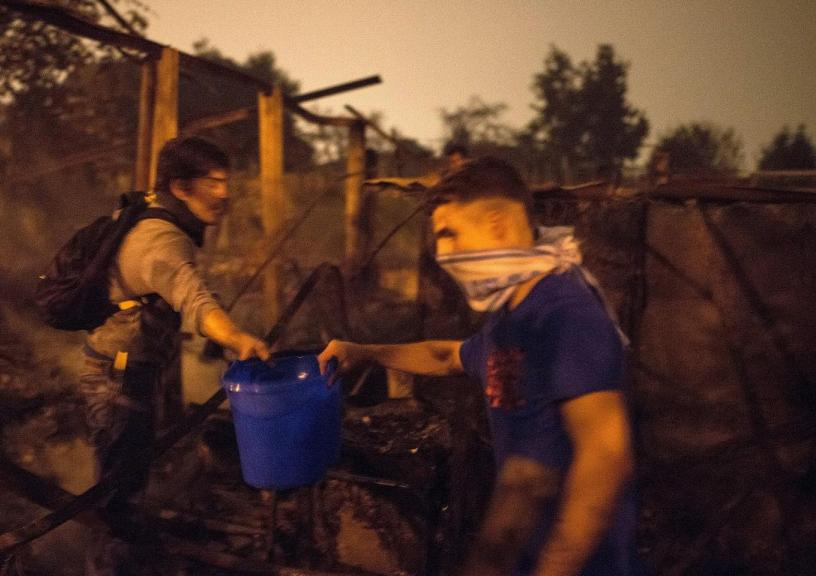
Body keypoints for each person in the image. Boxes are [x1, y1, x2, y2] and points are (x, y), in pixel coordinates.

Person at [319, 157, 637, 576]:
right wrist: (361, 351)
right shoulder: (510, 315)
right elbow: (448, 357)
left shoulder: (565, 312)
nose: (442, 253)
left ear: (498, 225)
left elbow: (606, 455)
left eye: (449, 234)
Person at [81, 136, 270, 575]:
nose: (225, 194)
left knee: (127, 481)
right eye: (214, 183)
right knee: (118, 498)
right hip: (118, 377)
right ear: (181, 186)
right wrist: (236, 337)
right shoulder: (161, 240)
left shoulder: (158, 223)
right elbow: (193, 298)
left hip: (127, 371)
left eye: (227, 182)